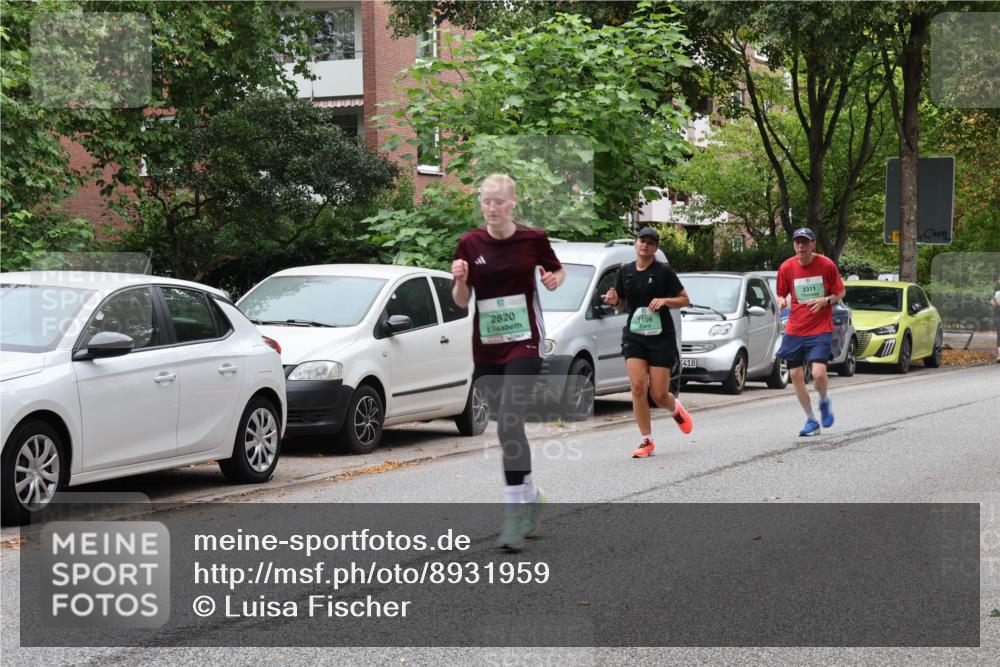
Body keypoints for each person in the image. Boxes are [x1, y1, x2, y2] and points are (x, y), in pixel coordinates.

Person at [451, 173, 565, 551]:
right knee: (504, 425)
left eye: (500, 201)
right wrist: (461, 281)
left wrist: (553, 280)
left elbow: (556, 269)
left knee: (510, 422)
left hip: (525, 343)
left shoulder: (533, 238)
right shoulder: (469, 243)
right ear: (481, 203)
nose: (492, 207)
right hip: (487, 347)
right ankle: (531, 493)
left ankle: (514, 514)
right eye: (487, 201)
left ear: (513, 203)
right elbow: (461, 301)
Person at [603, 227, 692, 458]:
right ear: (636, 243)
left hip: (661, 337)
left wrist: (665, 300)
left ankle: (674, 407)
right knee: (638, 387)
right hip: (635, 336)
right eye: (642, 241)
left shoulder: (663, 272)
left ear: (655, 248)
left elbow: (684, 299)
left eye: (651, 243)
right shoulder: (625, 271)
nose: (645, 245)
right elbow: (622, 304)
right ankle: (646, 441)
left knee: (659, 394)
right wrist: (614, 302)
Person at [775, 228, 846, 436]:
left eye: (805, 243)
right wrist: (781, 300)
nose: (800, 247)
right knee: (795, 374)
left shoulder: (826, 265)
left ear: (813, 245)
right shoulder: (787, 267)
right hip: (795, 328)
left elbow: (840, 292)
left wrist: (826, 300)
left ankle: (824, 401)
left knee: (818, 373)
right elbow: (781, 293)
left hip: (819, 328)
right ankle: (811, 419)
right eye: (797, 242)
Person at [991, 276, 1000, 363]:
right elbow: (994, 302)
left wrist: (997, 302)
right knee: (999, 334)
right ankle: (999, 356)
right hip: (997, 314)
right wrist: (993, 302)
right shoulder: (996, 291)